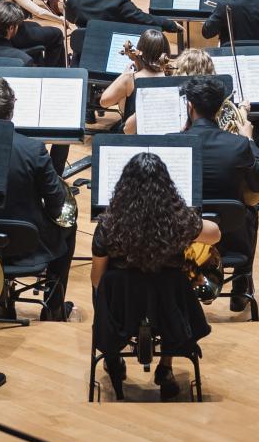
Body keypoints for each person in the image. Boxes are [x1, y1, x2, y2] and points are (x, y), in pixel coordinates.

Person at [90, 151, 218, 400]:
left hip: (123, 313)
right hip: (167, 313)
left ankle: (114, 358)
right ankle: (166, 367)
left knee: (106, 284)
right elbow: (215, 234)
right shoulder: (179, 222)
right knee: (173, 283)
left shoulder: (108, 225)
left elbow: (97, 279)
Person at [0, 77, 77, 321]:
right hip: (27, 245)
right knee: (69, 226)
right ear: (12, 107)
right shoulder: (33, 149)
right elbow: (56, 204)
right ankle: (53, 306)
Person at [181, 73, 259, 311]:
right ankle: (241, 285)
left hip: (185, 238)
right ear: (220, 107)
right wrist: (250, 141)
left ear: (190, 106)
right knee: (250, 209)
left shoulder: (175, 143)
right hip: (231, 239)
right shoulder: (238, 144)